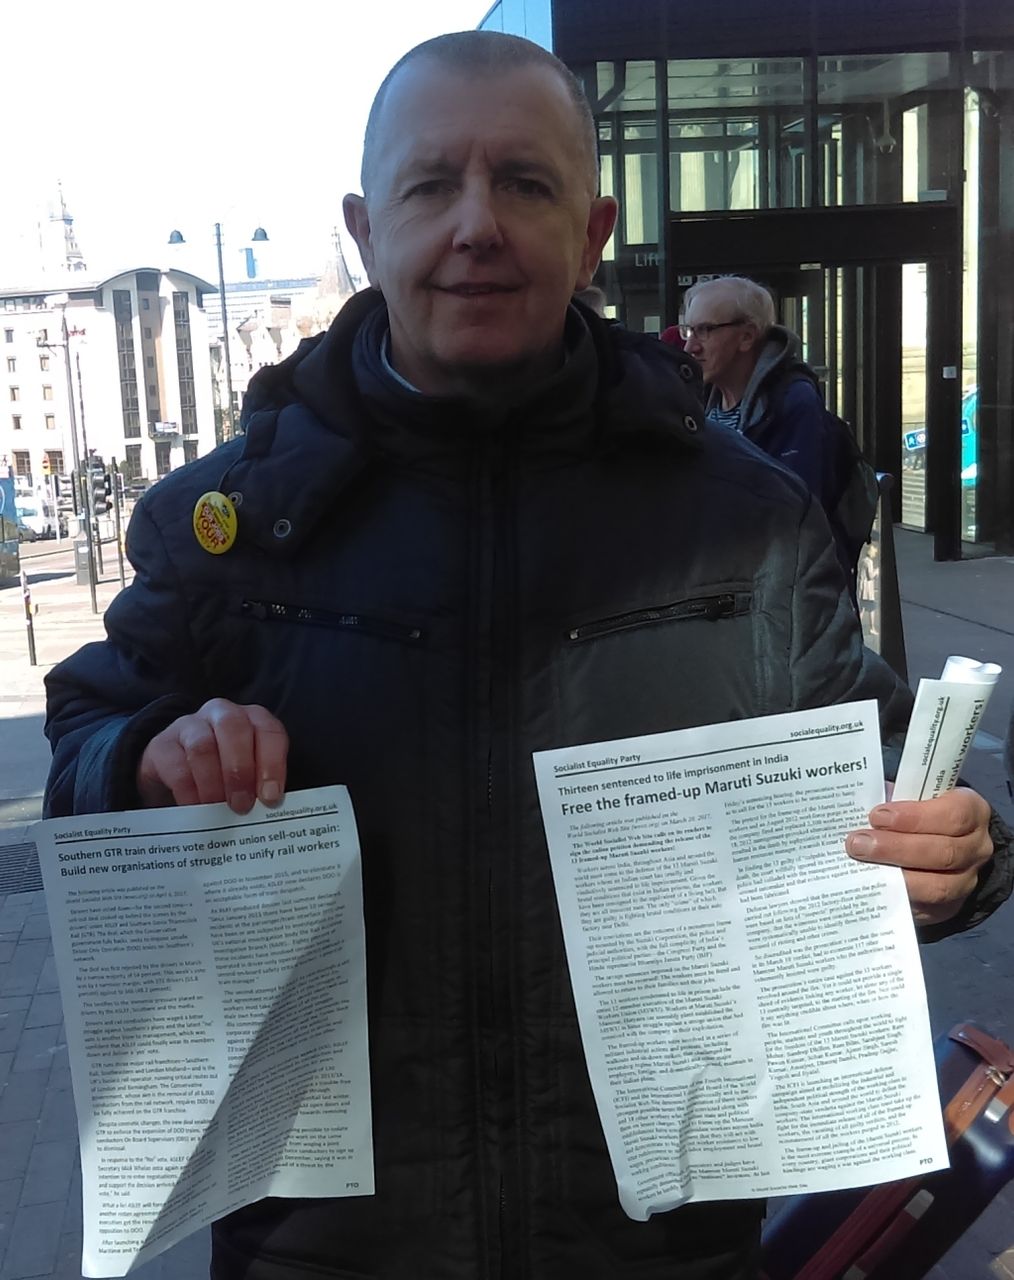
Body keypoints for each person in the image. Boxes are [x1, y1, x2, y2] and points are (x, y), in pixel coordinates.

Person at [43, 31, 1010, 1280]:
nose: (477, 225)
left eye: (525, 183)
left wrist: (959, 856)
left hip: (658, 1245)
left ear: (593, 232)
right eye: (430, 184)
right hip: (323, 1250)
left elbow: (882, 773)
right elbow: (83, 742)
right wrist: (143, 757)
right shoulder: (231, 523)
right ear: (365, 228)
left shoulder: (747, 518)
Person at [680, 276, 871, 598]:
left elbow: (793, 517)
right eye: (688, 330)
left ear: (747, 336)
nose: (690, 346)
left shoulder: (793, 403)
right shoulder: (699, 403)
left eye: (705, 330)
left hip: (783, 599)